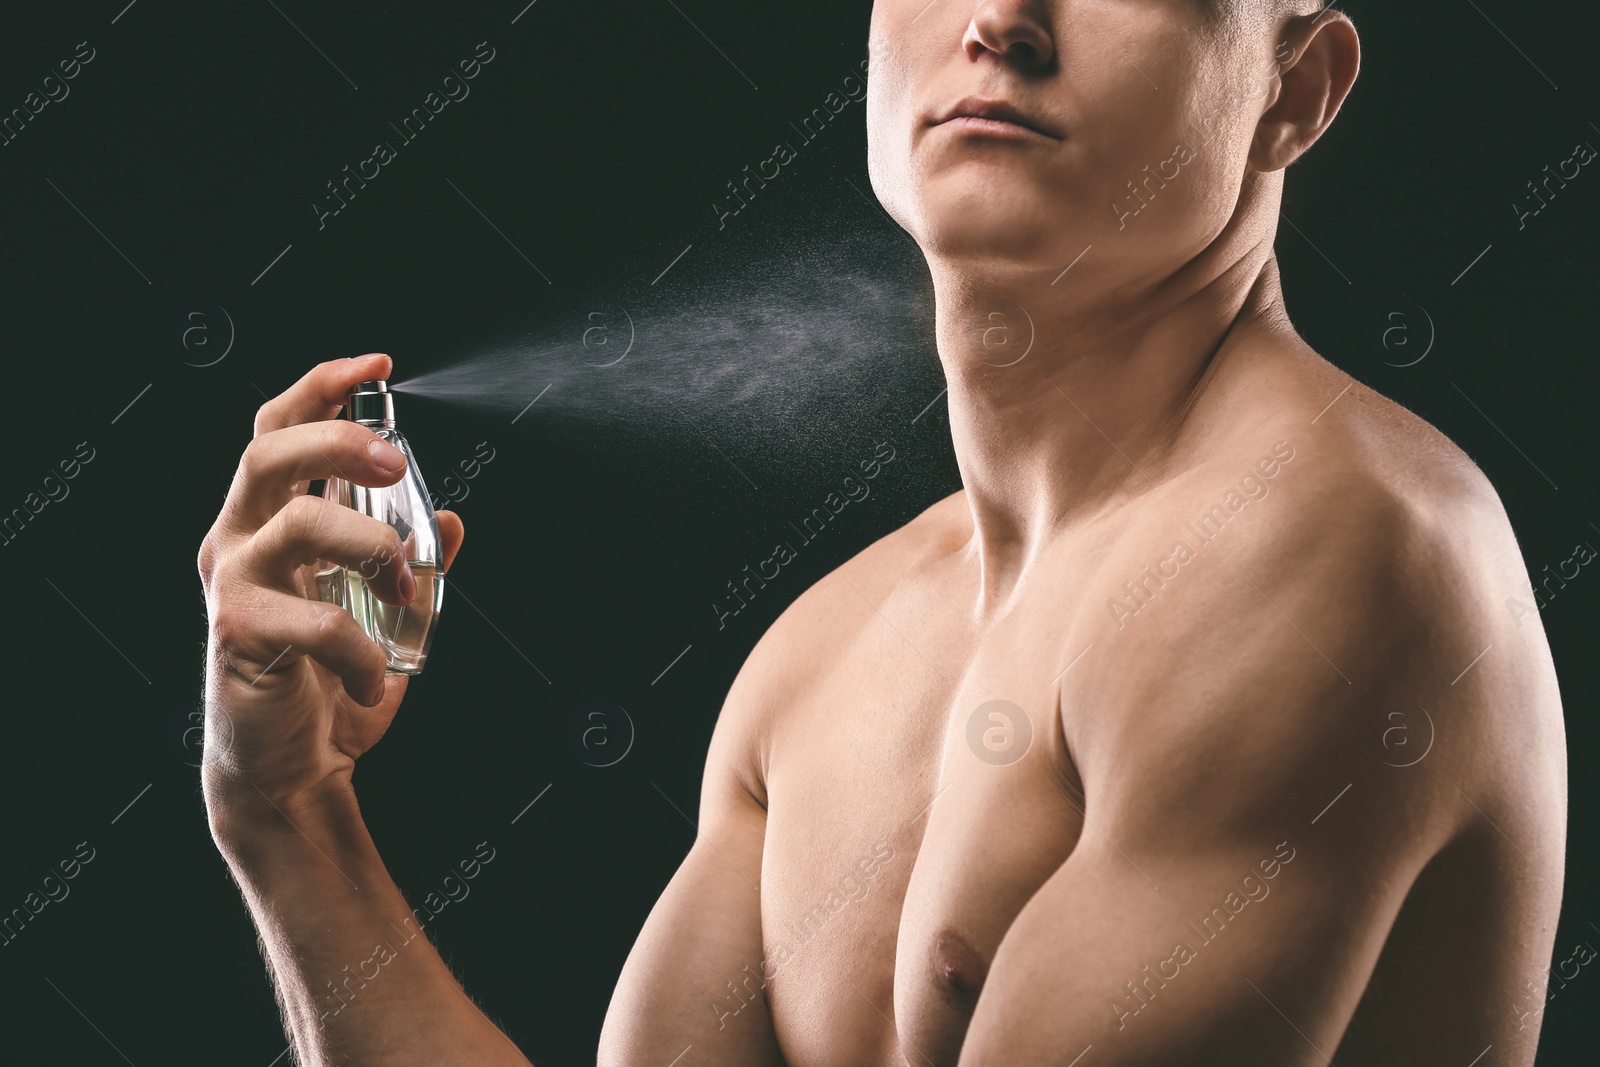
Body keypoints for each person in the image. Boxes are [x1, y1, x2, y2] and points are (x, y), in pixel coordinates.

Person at [197, 1, 1568, 1064]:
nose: (1003, 21)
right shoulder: (826, 658)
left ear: (1296, 91)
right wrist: (290, 817)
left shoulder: (1335, 551)